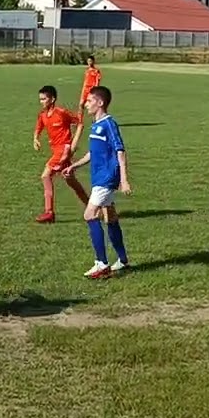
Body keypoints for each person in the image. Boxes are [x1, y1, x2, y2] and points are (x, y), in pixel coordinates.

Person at [63, 85, 132, 279]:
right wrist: (74, 166)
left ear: (100, 103)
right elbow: (92, 153)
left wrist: (124, 180)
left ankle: (101, 263)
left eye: (89, 101)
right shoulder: (95, 125)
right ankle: (123, 260)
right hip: (99, 177)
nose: (85, 104)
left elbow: (120, 151)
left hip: (106, 177)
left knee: (89, 214)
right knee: (110, 217)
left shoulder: (109, 124)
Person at [33, 85, 89, 223]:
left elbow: (80, 124)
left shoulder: (61, 113)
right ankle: (92, 207)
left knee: (45, 175)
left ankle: (49, 212)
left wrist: (72, 145)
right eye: (40, 99)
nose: (41, 102)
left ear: (52, 99)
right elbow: (39, 127)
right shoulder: (43, 115)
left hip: (63, 151)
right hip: (56, 150)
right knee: (70, 180)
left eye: (44, 99)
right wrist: (36, 139)